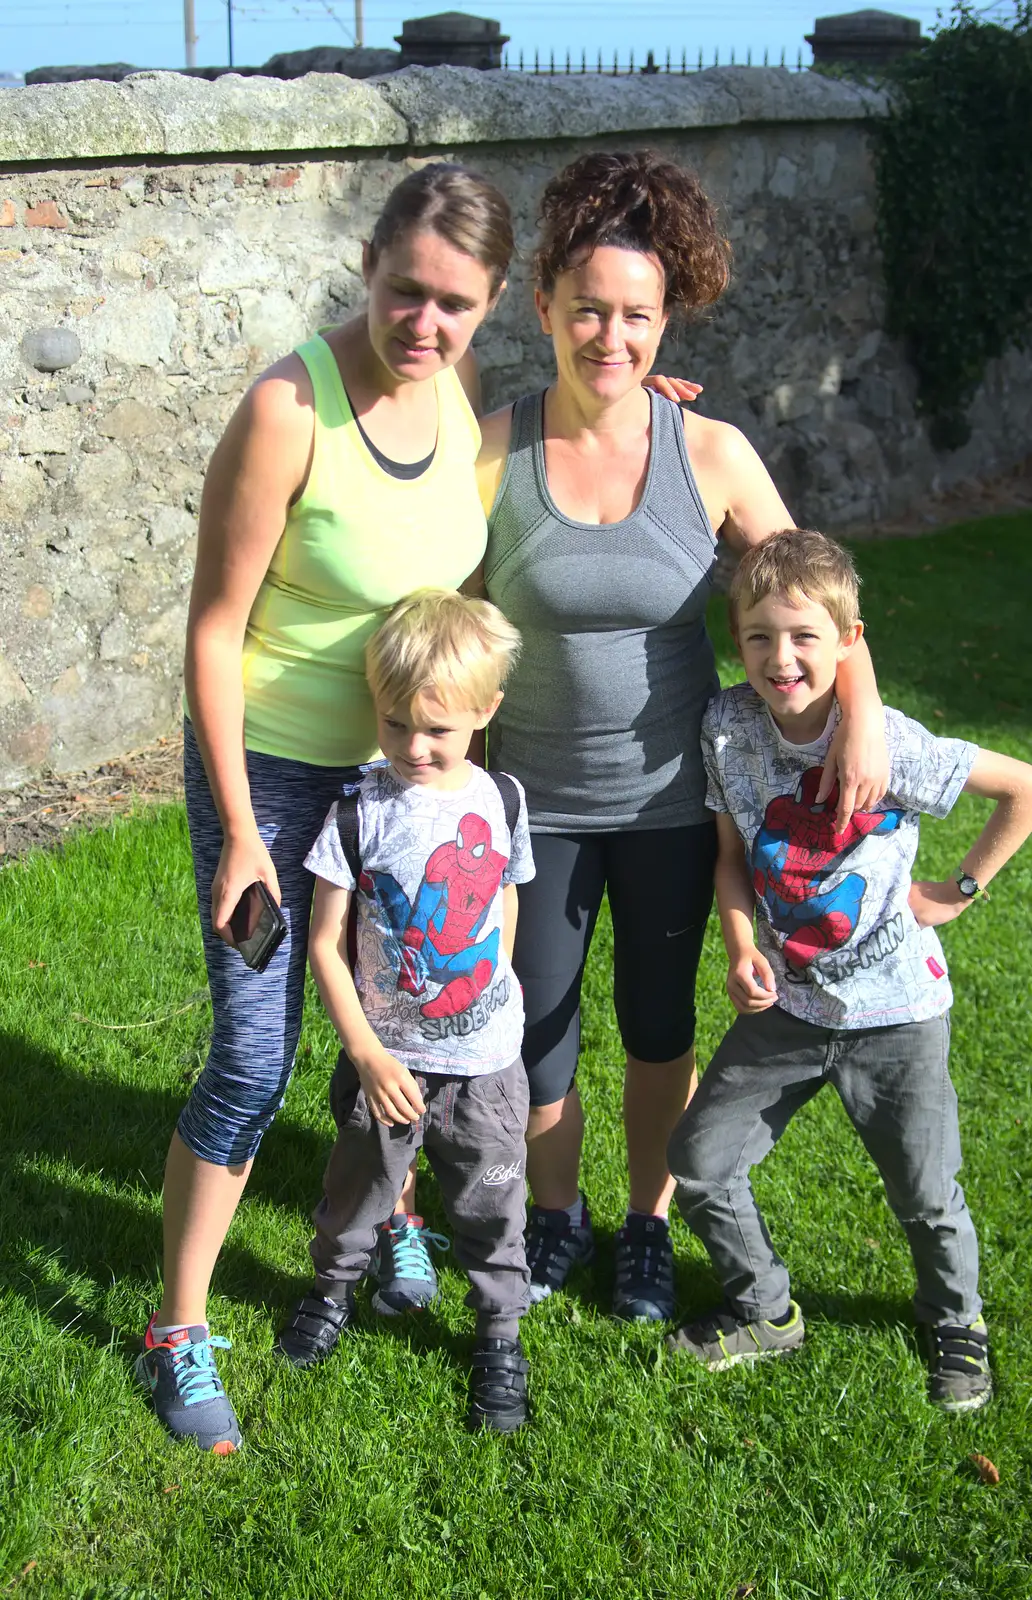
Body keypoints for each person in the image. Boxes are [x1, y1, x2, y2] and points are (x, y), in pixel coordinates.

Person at [136, 163, 515, 1453]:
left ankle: (390, 1211)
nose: (425, 321)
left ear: (490, 304)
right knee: (255, 1051)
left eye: (455, 304)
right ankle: (177, 1327)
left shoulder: (458, 395)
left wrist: (655, 406)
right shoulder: (288, 409)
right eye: (405, 289)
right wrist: (245, 830)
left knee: (410, 1008)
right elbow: (211, 629)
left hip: (403, 778)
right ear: (368, 264)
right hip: (278, 777)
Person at [476, 150, 890, 1322]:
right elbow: (438, 610)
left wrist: (857, 710)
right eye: (589, 309)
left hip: (670, 802)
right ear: (545, 301)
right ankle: (557, 1216)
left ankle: (645, 1227)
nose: (612, 336)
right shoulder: (493, 448)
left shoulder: (706, 452)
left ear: (668, 321)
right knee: (538, 1032)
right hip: (534, 805)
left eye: (638, 316)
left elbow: (814, 590)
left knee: (657, 1025)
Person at [665, 529, 1032, 1412]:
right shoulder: (725, 729)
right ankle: (765, 1310)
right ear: (736, 639)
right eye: (759, 636)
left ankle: (956, 1323)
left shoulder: (887, 744)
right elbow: (729, 858)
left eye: (802, 636)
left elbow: (1022, 787)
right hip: (788, 1007)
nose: (780, 657)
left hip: (898, 1014)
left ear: (846, 641)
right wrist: (741, 944)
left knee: (926, 1193)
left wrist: (959, 889)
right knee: (700, 1160)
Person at [275, 590, 535, 1433]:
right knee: (359, 1191)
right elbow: (325, 944)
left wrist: (495, 988)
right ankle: (332, 1290)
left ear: (485, 712)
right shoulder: (358, 813)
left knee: (494, 1204)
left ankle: (498, 1335)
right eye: (394, 725)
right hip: (386, 1065)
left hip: (486, 1067)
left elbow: (504, 901)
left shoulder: (503, 799)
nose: (414, 748)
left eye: (438, 730)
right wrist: (367, 1055)